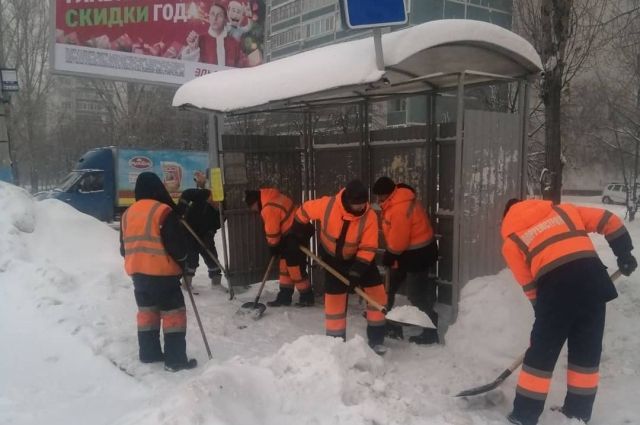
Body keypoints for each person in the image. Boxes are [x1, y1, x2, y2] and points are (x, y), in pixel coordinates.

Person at [501, 198, 637, 425]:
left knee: (541, 355)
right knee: (586, 352)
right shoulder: (565, 211)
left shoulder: (512, 242)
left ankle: (524, 416)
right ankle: (578, 413)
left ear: (506, 218)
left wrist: (542, 312)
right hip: (593, 282)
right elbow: (609, 220)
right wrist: (624, 255)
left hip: (556, 290)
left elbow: (529, 285)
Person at [293, 180, 387, 353]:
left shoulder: (370, 216)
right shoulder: (328, 205)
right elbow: (304, 210)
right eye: (356, 205)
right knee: (335, 300)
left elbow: (368, 247)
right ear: (347, 200)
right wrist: (298, 231)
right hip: (332, 259)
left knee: (377, 293)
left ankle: (377, 338)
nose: (360, 208)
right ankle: (335, 342)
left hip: (360, 258)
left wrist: (356, 272)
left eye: (362, 204)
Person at [119, 172, 197, 372]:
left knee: (148, 315)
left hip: (138, 277)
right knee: (173, 317)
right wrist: (183, 263)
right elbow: (177, 247)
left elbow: (123, 249)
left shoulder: (128, 214)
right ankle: (175, 360)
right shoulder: (163, 211)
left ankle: (149, 353)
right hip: (164, 276)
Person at [372, 177, 439, 344]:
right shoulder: (395, 201)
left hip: (418, 254)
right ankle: (388, 323)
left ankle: (431, 330)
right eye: (378, 196)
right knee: (389, 287)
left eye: (381, 196)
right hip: (406, 252)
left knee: (416, 294)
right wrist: (393, 253)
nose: (379, 200)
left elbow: (399, 239)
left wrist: (391, 254)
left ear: (390, 193)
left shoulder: (399, 207)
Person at [245, 188, 314, 307]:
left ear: (256, 202)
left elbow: (272, 232)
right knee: (284, 267)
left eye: (252, 207)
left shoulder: (269, 208)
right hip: (294, 234)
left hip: (296, 236)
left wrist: (273, 247)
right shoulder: (275, 197)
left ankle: (307, 296)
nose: (254, 210)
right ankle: (285, 296)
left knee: (295, 268)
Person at [176, 171, 222, 286]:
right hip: (188, 229)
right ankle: (187, 283)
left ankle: (216, 284)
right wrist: (181, 209)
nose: (215, 203)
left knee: (211, 256)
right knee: (191, 257)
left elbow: (218, 222)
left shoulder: (221, 207)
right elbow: (186, 194)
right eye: (213, 200)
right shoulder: (203, 194)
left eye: (218, 203)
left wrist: (211, 232)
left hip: (205, 232)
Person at [180, 2, 245, 67]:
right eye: (212, 14)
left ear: (225, 20)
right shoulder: (199, 40)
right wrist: (193, 50)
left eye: (219, 15)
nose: (215, 18)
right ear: (209, 17)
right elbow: (189, 69)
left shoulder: (234, 43)